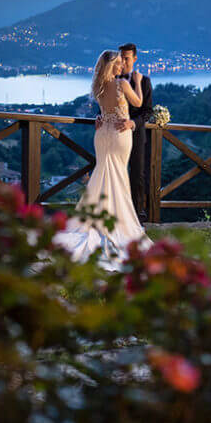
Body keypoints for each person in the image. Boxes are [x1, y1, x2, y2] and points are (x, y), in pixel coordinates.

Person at [53, 50, 153, 271]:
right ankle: (118, 223)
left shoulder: (98, 87)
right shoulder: (121, 84)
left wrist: (101, 116)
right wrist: (137, 82)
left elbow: (104, 109)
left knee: (103, 174)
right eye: (117, 63)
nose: (121, 67)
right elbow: (138, 101)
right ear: (111, 66)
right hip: (119, 134)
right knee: (118, 177)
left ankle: (97, 219)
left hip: (102, 133)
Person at [94, 42, 153, 222]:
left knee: (137, 176)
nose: (123, 62)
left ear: (134, 59)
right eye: (120, 59)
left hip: (133, 133)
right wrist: (99, 117)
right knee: (113, 174)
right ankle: (114, 215)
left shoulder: (144, 81)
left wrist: (132, 123)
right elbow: (107, 107)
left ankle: (136, 216)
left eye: (126, 59)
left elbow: (147, 111)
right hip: (114, 134)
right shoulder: (114, 81)